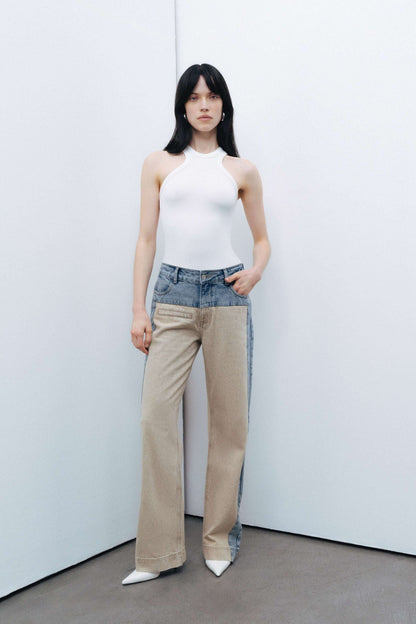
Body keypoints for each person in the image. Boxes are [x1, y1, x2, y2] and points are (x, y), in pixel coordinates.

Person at [122, 63, 271, 585]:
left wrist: (255, 272)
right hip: (173, 295)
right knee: (154, 417)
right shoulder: (159, 163)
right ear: (182, 107)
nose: (203, 105)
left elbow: (262, 239)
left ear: (223, 106)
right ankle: (157, 553)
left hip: (228, 294)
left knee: (230, 422)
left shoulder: (241, 170)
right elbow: (146, 239)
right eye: (194, 97)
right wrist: (139, 310)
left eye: (212, 96)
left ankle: (218, 540)